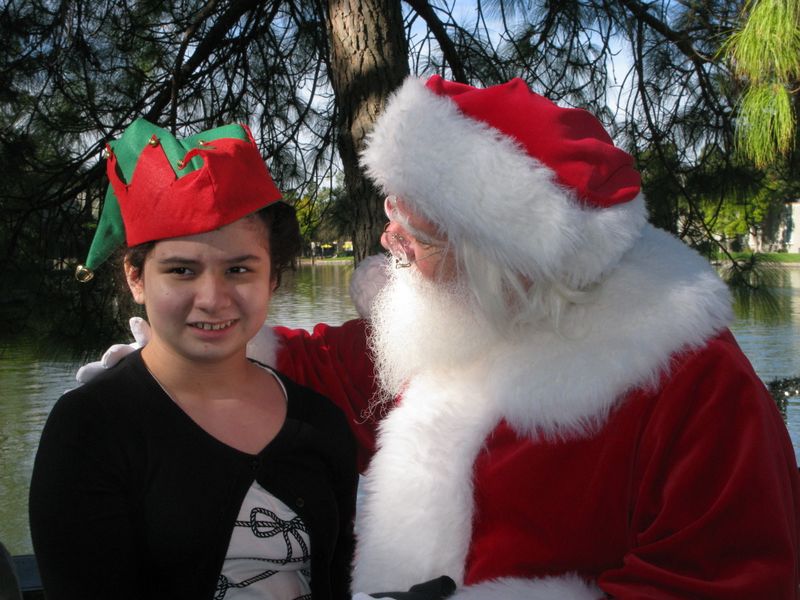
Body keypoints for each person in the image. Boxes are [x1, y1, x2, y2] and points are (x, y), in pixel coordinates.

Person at [78, 76, 800, 599]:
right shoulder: (452, 317)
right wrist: (165, 371)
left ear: (500, 255)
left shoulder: (693, 380)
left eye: (416, 231)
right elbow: (315, 372)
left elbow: (736, 580)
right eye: (391, 212)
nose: (390, 239)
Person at [28, 119, 358, 600]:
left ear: (272, 279)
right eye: (182, 270)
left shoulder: (319, 422)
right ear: (137, 279)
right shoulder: (92, 429)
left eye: (239, 269)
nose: (212, 298)